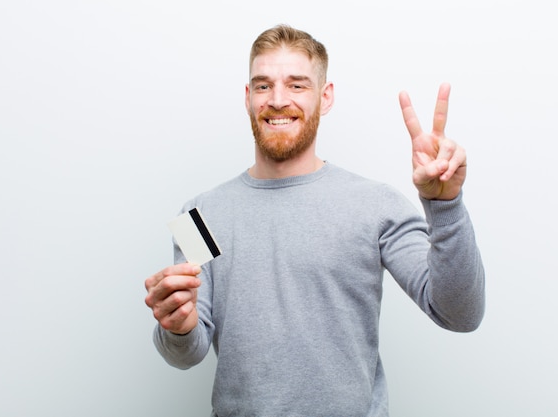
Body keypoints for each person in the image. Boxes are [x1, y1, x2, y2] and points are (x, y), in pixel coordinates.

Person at [144, 24, 485, 417]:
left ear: (325, 97)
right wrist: (179, 326)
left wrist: (445, 205)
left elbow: (461, 314)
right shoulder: (197, 217)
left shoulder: (375, 205)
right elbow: (186, 354)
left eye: (296, 85)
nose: (277, 100)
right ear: (247, 97)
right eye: (262, 85)